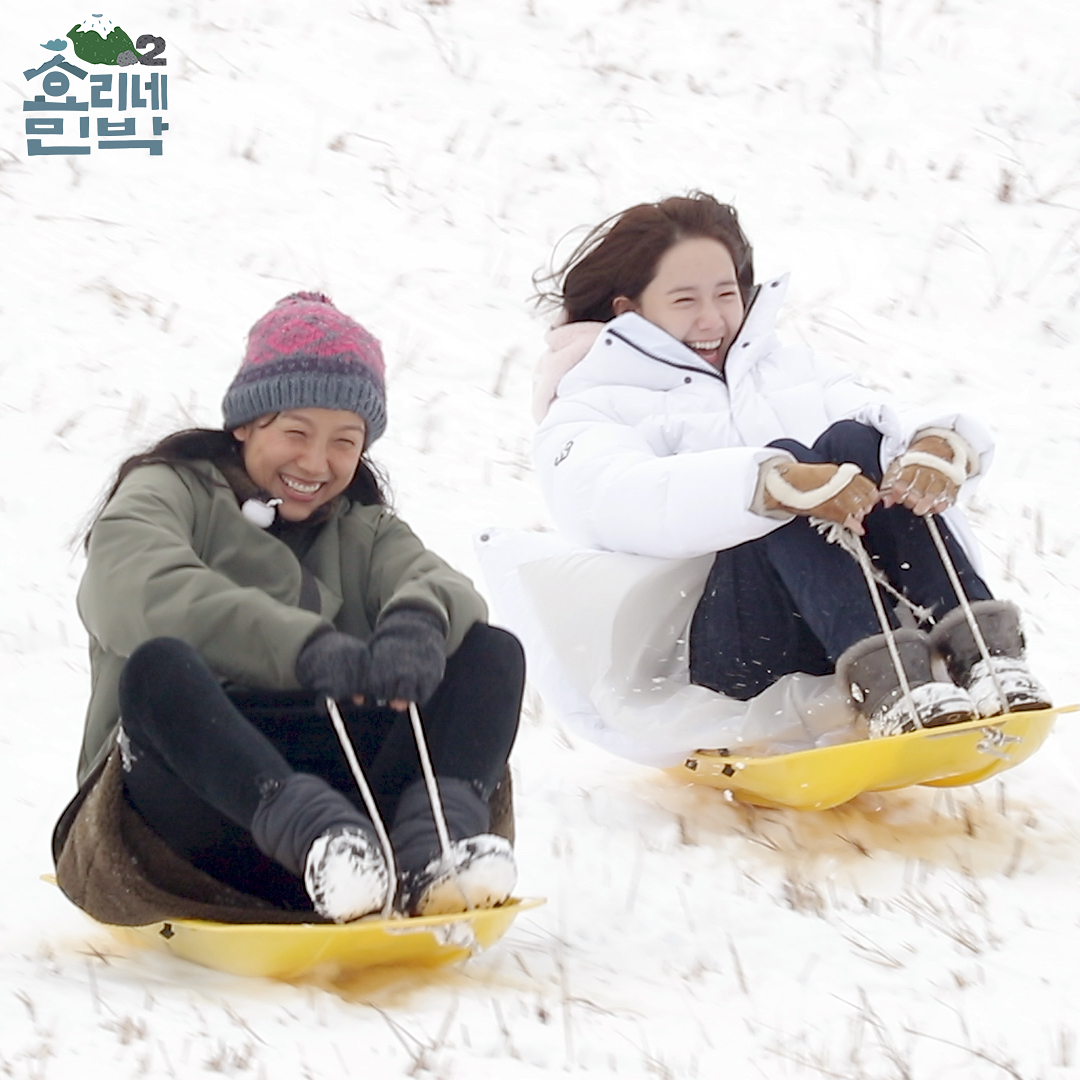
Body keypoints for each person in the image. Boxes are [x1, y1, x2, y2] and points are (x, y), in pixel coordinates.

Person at [53, 292, 524, 927]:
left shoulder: (364, 529)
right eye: (295, 432)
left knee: (488, 650)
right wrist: (303, 648)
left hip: (355, 817)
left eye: (344, 442)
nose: (315, 462)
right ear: (245, 424)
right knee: (158, 667)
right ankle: (316, 839)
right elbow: (134, 588)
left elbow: (437, 582)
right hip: (194, 815)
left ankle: (431, 850)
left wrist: (415, 624)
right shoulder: (167, 492)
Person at [531, 193, 1049, 738]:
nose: (713, 318)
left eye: (726, 294)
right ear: (628, 311)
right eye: (684, 300)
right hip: (730, 653)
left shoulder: (789, 367)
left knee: (858, 439)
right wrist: (771, 484)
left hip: (843, 618)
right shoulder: (590, 404)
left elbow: (877, 414)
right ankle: (890, 682)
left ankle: (987, 655)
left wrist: (937, 445)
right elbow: (615, 497)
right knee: (781, 466)